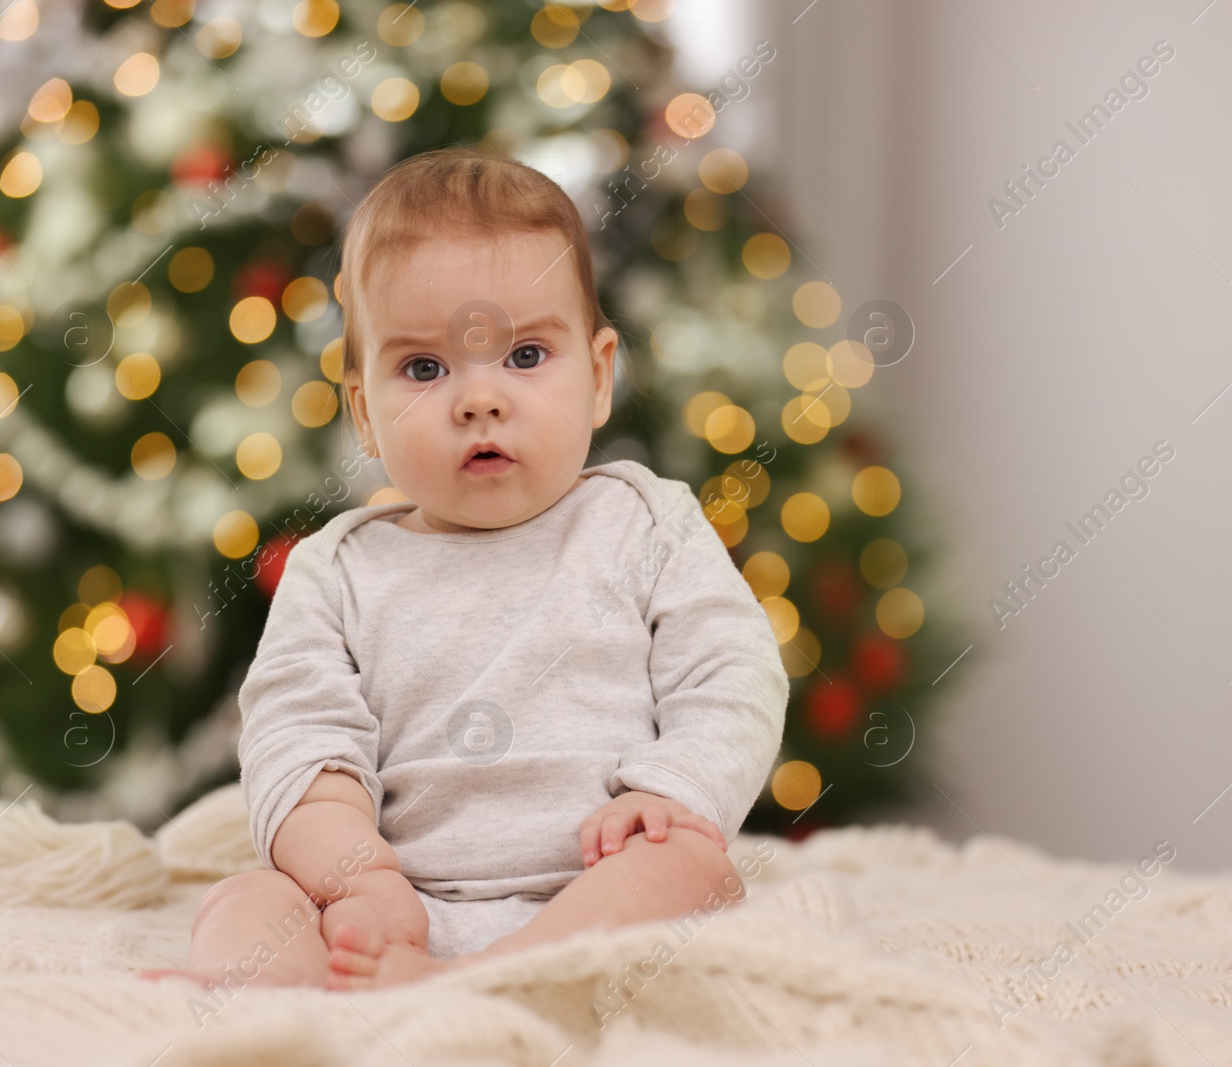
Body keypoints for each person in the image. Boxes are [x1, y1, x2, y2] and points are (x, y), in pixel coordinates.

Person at [142, 146, 789, 992]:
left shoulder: (644, 522)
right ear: (364, 411)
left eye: (524, 357)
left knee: (695, 870)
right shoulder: (339, 571)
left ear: (598, 378)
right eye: (424, 367)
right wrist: (359, 878)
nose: (478, 399)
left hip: (598, 888)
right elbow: (302, 745)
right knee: (248, 898)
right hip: (395, 906)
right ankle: (273, 1008)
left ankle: (484, 979)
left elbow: (732, 673)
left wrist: (671, 793)